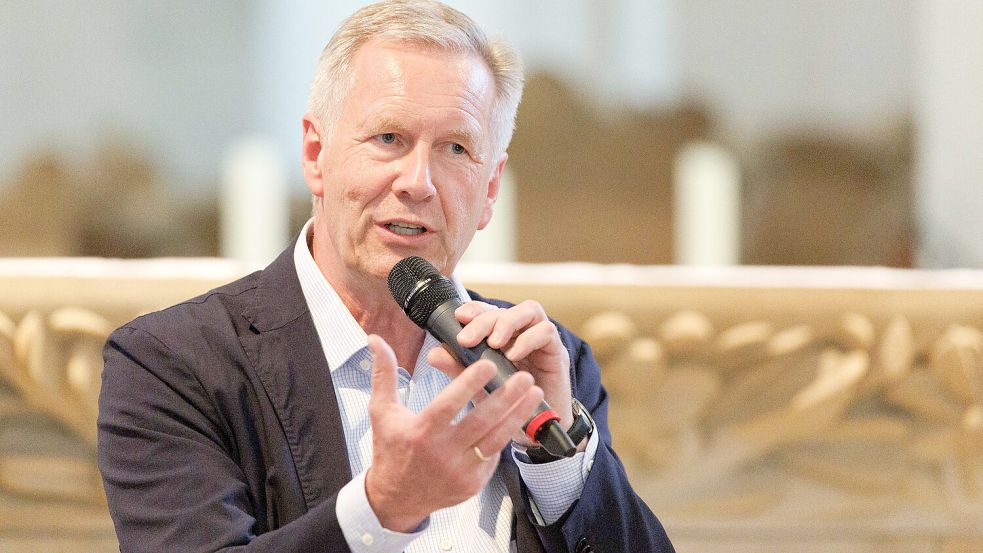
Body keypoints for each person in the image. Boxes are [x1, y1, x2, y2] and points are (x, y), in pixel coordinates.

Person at [97, 1, 675, 551]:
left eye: (455, 148)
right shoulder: (171, 364)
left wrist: (560, 458)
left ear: (490, 188)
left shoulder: (549, 365)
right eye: (389, 139)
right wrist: (382, 509)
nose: (418, 181)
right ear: (316, 153)